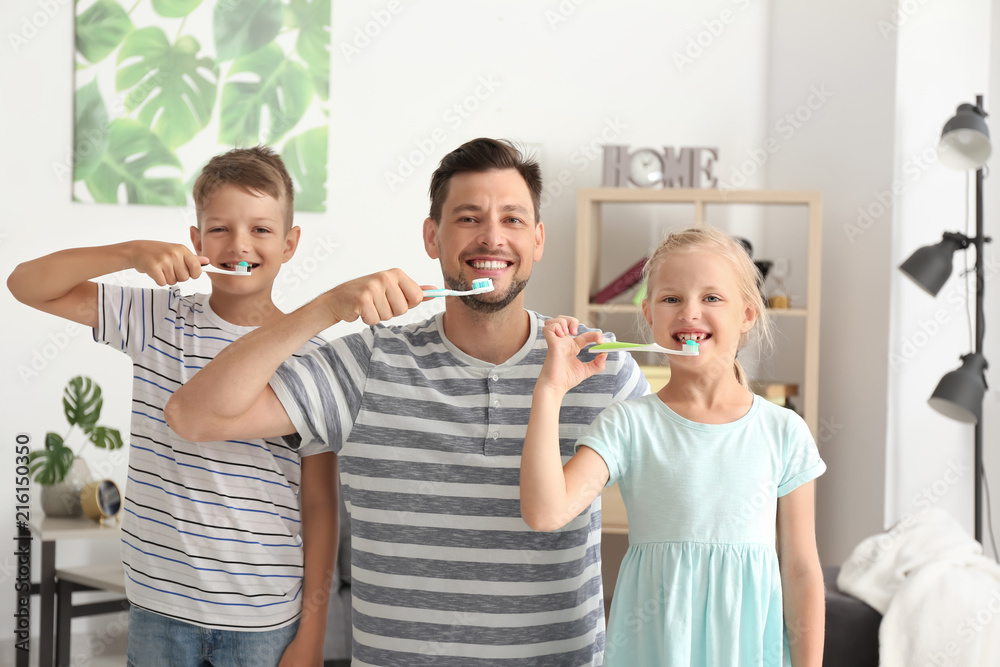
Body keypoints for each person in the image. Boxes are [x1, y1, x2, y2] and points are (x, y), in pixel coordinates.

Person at [165, 138, 649, 666]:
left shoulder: (601, 370)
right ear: (431, 237)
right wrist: (329, 306)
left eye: (512, 220)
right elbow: (194, 416)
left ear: (537, 240)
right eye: (468, 218)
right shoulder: (369, 363)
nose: (492, 237)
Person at [7, 146, 337, 666]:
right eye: (220, 229)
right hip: (159, 607)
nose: (240, 245)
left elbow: (319, 504)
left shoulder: (310, 354)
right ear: (197, 239)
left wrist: (313, 634)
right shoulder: (158, 318)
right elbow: (26, 285)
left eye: (262, 230)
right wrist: (130, 252)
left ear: (291, 243)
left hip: (263, 618)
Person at [520, 225, 826, 666]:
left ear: (747, 314)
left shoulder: (785, 432)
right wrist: (550, 389)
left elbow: (801, 569)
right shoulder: (628, 424)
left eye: (712, 298)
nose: (690, 313)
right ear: (649, 315)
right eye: (671, 299)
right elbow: (545, 511)